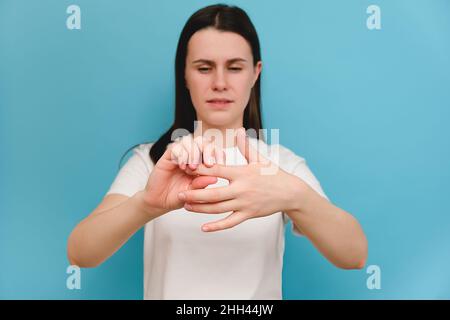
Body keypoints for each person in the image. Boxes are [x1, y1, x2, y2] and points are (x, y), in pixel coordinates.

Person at [67, 4, 368, 300]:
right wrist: (146, 204)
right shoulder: (153, 162)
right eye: (204, 68)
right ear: (184, 74)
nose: (220, 83)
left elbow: (354, 255)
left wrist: (296, 196)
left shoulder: (280, 164)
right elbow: (81, 252)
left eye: (235, 68)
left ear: (255, 73)